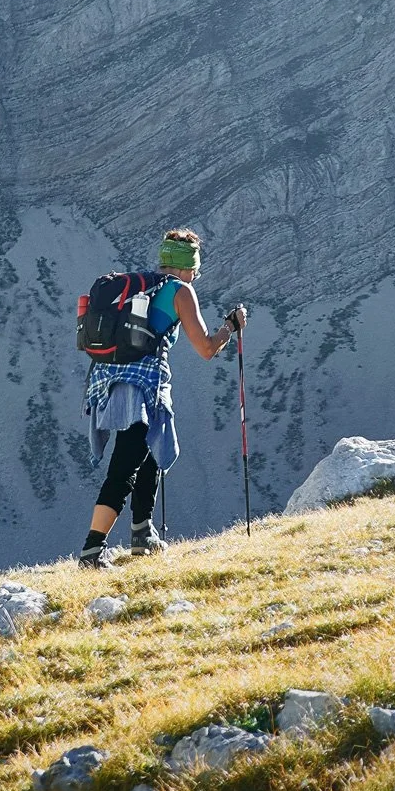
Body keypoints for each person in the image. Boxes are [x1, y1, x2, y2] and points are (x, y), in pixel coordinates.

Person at [79, 229, 244, 567]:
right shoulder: (180, 291)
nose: (196, 275)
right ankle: (91, 550)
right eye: (195, 269)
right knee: (125, 465)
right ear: (188, 268)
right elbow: (207, 348)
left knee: (150, 450)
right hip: (143, 386)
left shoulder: (141, 286)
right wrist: (231, 326)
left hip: (106, 380)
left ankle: (142, 532)